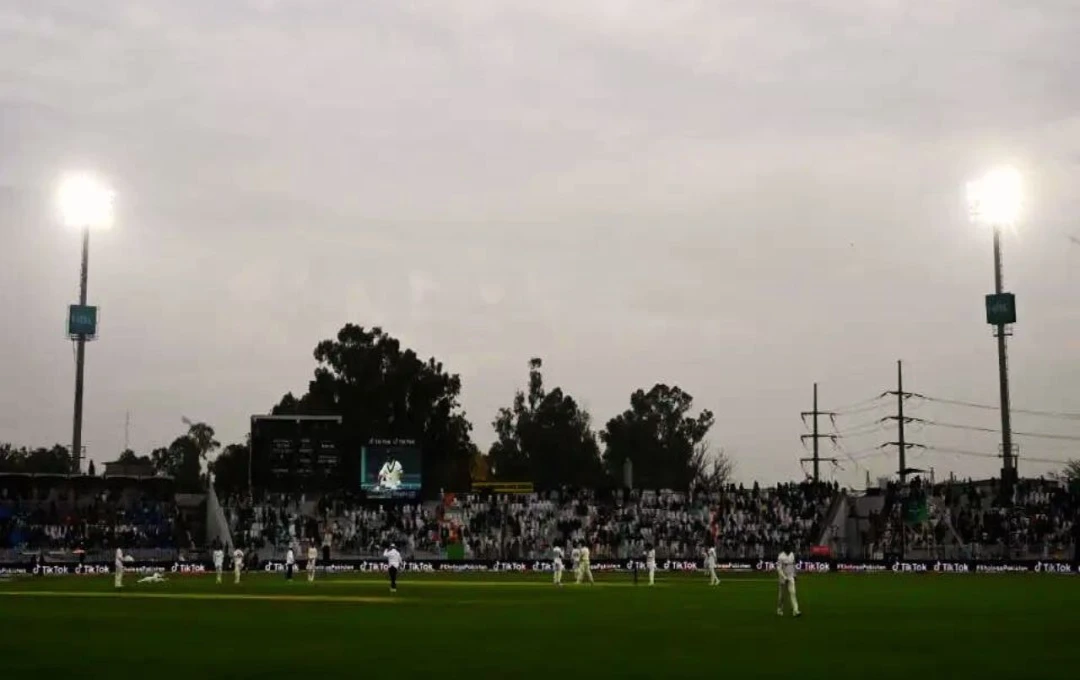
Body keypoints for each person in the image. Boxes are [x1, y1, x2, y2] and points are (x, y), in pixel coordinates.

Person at [776, 545, 801, 617]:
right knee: (782, 596)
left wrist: (795, 575)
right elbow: (779, 569)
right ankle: (779, 609)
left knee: (793, 593)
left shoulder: (792, 554)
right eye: (788, 548)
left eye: (790, 548)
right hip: (783, 578)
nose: (790, 549)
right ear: (785, 549)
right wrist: (784, 577)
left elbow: (793, 565)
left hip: (791, 577)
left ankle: (795, 610)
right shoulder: (781, 556)